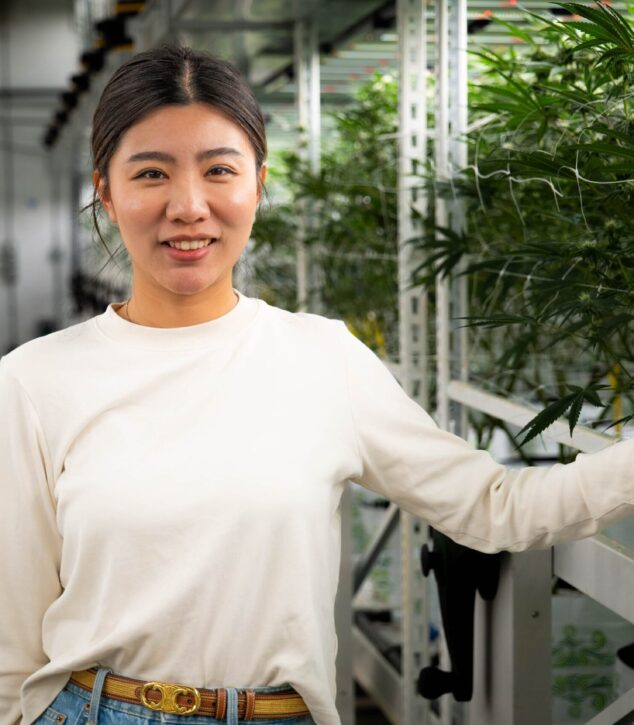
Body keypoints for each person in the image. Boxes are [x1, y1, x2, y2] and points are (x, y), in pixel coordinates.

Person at [0, 45, 632, 725]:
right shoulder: (35, 381)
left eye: (219, 170)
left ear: (258, 183)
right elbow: (11, 645)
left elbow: (495, 504)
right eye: (151, 172)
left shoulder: (322, 357)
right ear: (106, 188)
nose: (188, 206)